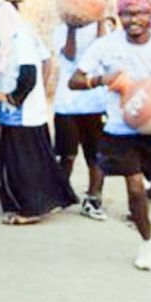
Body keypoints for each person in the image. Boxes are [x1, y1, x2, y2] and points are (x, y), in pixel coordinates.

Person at [70, 0, 151, 271]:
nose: (133, 19)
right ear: (119, 17)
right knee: (134, 186)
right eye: (127, 14)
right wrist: (100, 79)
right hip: (120, 128)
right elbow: (74, 80)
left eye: (140, 13)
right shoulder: (105, 47)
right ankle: (147, 244)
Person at [0, 0, 78, 225]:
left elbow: (28, 73)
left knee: (24, 163)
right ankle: (50, 199)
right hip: (20, 112)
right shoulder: (15, 40)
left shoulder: (20, 40)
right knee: (37, 159)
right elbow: (45, 62)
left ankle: (30, 208)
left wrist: (10, 97)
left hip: (21, 114)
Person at [52, 18, 110, 221]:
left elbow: (102, 51)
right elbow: (69, 55)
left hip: (96, 103)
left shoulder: (104, 29)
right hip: (67, 103)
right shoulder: (60, 30)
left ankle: (93, 199)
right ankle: (60, 194)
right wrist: (71, 27)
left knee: (95, 156)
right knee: (66, 155)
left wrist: (101, 20)